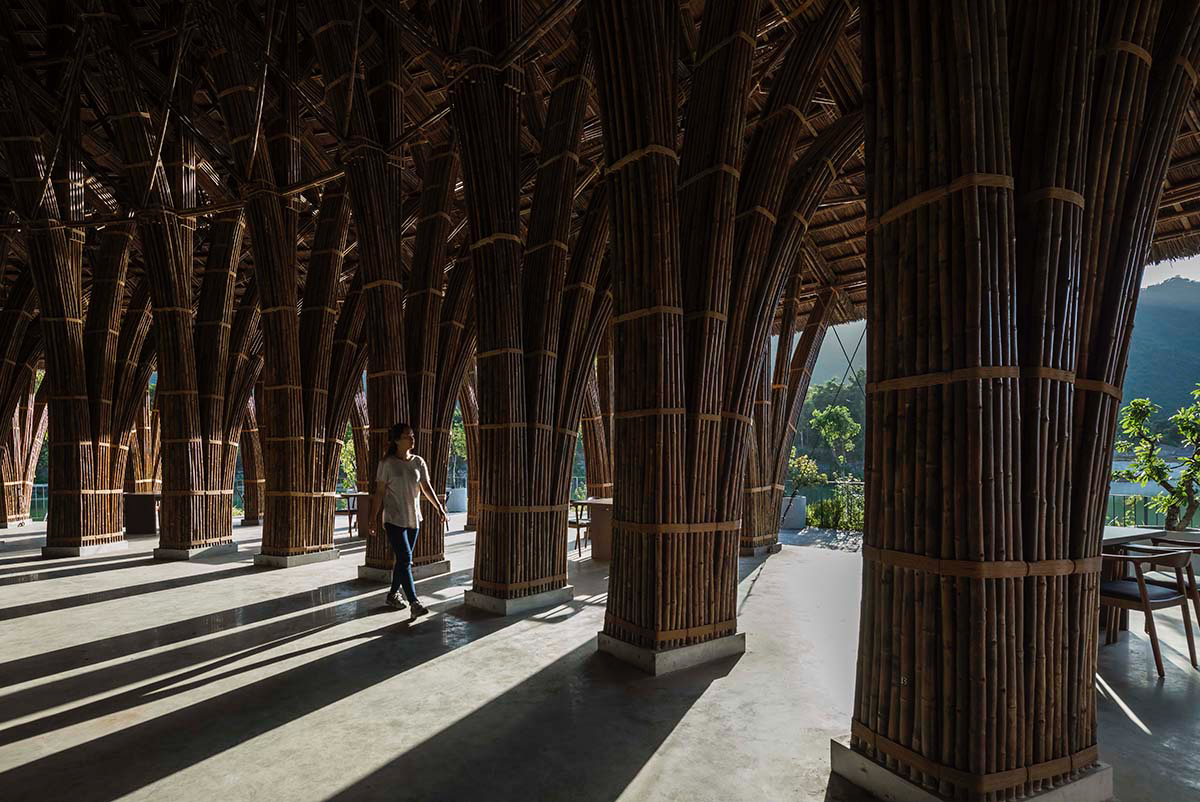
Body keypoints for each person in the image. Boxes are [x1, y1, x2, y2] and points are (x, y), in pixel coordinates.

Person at [371, 422, 447, 616]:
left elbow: (426, 487)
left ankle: (392, 594)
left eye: (412, 435)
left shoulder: (418, 462)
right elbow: (379, 493)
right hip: (393, 519)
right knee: (405, 558)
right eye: (407, 436)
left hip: (414, 518)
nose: (412, 438)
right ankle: (414, 602)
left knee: (403, 561)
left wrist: (439, 508)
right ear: (396, 440)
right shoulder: (386, 464)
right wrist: (372, 518)